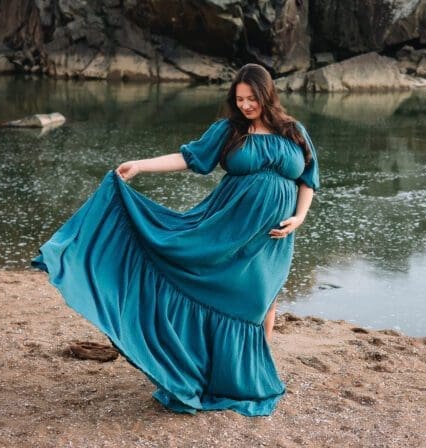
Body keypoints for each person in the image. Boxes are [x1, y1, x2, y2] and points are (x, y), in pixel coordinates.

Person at [32, 63, 318, 417]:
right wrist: (140, 165)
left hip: (275, 232)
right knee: (232, 295)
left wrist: (300, 216)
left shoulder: (294, 131)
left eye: (251, 98)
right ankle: (223, 376)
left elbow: (308, 178)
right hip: (227, 227)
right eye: (240, 99)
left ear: (267, 94)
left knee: (263, 298)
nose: (245, 105)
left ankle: (252, 374)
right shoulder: (230, 131)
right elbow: (188, 157)